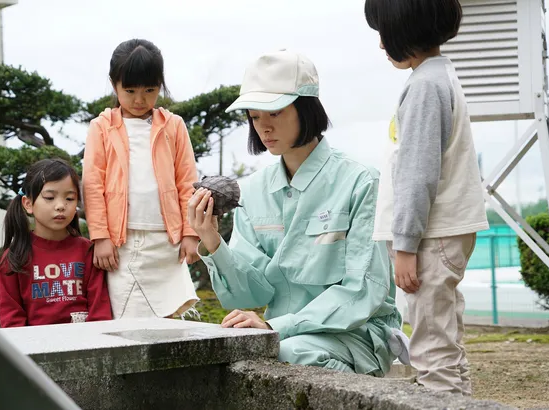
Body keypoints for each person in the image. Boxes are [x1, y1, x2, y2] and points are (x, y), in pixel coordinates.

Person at [188, 50, 406, 376]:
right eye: (254, 115)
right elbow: (253, 292)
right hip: (282, 333)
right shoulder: (256, 190)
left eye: (274, 112)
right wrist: (213, 241)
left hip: (354, 335)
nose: (263, 126)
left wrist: (276, 327)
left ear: (306, 107)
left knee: (288, 353)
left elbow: (363, 290)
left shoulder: (360, 181)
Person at [365, 0, 489, 395]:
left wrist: (405, 245)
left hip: (429, 238)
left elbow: (418, 175)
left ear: (405, 31)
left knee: (431, 352)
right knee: (446, 344)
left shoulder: (423, 87)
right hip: (443, 233)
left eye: (384, 33)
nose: (382, 45)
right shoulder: (442, 76)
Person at [82, 39, 199, 319]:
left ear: (160, 85)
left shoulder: (174, 126)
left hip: (166, 241)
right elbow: (92, 184)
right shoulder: (101, 127)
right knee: (127, 316)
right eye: (130, 90)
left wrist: (190, 233)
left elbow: (187, 183)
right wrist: (100, 237)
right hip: (120, 242)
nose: (139, 99)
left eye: (149, 90)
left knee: (169, 318)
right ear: (114, 85)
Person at [0, 159, 112, 327]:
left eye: (70, 198)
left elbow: (100, 313)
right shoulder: (13, 258)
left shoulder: (89, 251)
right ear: (28, 204)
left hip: (86, 346)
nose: (60, 206)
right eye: (49, 197)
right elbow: (12, 321)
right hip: (35, 350)